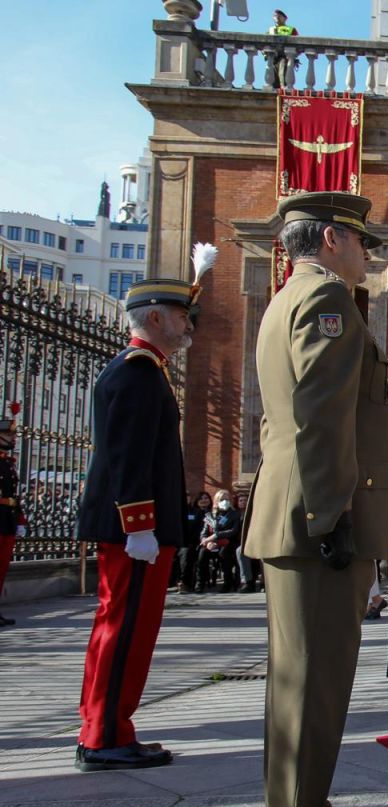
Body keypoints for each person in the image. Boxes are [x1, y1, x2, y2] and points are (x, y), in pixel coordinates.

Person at [242, 192, 388, 807]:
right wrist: (329, 513)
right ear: (334, 239)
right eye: (362, 241)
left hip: (297, 509)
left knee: (303, 680)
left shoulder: (288, 298)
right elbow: (317, 417)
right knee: (312, 680)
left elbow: (277, 420)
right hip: (317, 518)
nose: (369, 253)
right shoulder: (329, 302)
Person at [75, 259, 210, 772]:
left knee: (124, 626)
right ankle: (106, 734)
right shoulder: (136, 373)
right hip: (134, 530)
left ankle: (104, 727)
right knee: (125, 628)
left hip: (138, 528)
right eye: (181, 314)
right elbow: (127, 457)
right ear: (154, 318)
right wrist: (140, 526)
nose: (189, 324)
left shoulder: (145, 370)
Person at [0, 402, 28, 627]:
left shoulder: (7, 463)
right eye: (9, 436)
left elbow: (13, 495)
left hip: (6, 520)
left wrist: (19, 518)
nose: (13, 439)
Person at [196, 488, 241, 592]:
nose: (225, 502)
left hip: (227, 543)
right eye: (222, 499)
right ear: (216, 501)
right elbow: (204, 531)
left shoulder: (234, 514)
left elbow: (232, 531)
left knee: (224, 554)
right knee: (202, 554)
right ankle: (200, 584)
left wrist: (215, 537)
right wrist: (206, 541)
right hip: (210, 543)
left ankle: (227, 583)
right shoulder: (210, 515)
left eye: (227, 499)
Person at [176, 492, 210, 593]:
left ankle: (184, 583)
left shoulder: (197, 512)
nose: (186, 499)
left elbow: (200, 529)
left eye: (187, 496)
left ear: (190, 499)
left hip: (191, 542)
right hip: (176, 542)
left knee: (186, 553)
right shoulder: (175, 511)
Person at [265, 9, 299, 89]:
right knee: (272, 76)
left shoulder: (290, 29)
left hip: (285, 56)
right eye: (275, 16)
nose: (276, 18)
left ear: (285, 18)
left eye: (279, 16)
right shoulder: (270, 30)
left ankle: (283, 88)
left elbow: (298, 45)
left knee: (282, 71)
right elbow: (264, 44)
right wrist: (265, 53)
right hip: (273, 57)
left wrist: (292, 55)